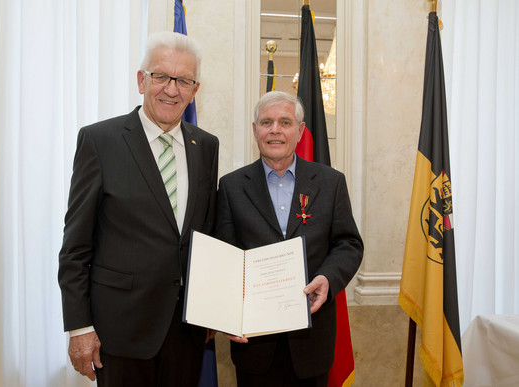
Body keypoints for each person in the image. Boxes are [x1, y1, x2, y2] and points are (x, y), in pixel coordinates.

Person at [58, 31, 219, 386]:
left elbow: (205, 233)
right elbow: (75, 247)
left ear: (195, 89)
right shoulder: (100, 141)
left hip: (187, 332)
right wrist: (80, 327)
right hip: (120, 332)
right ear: (141, 80)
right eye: (161, 76)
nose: (171, 89)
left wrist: (213, 308)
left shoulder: (206, 146)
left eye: (184, 80)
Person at [215, 91, 363, 386]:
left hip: (312, 339)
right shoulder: (231, 187)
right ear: (255, 130)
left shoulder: (331, 182)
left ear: (300, 131)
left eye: (285, 122)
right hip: (254, 343)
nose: (275, 130)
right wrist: (225, 315)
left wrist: (328, 278)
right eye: (266, 122)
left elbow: (349, 244)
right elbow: (224, 257)